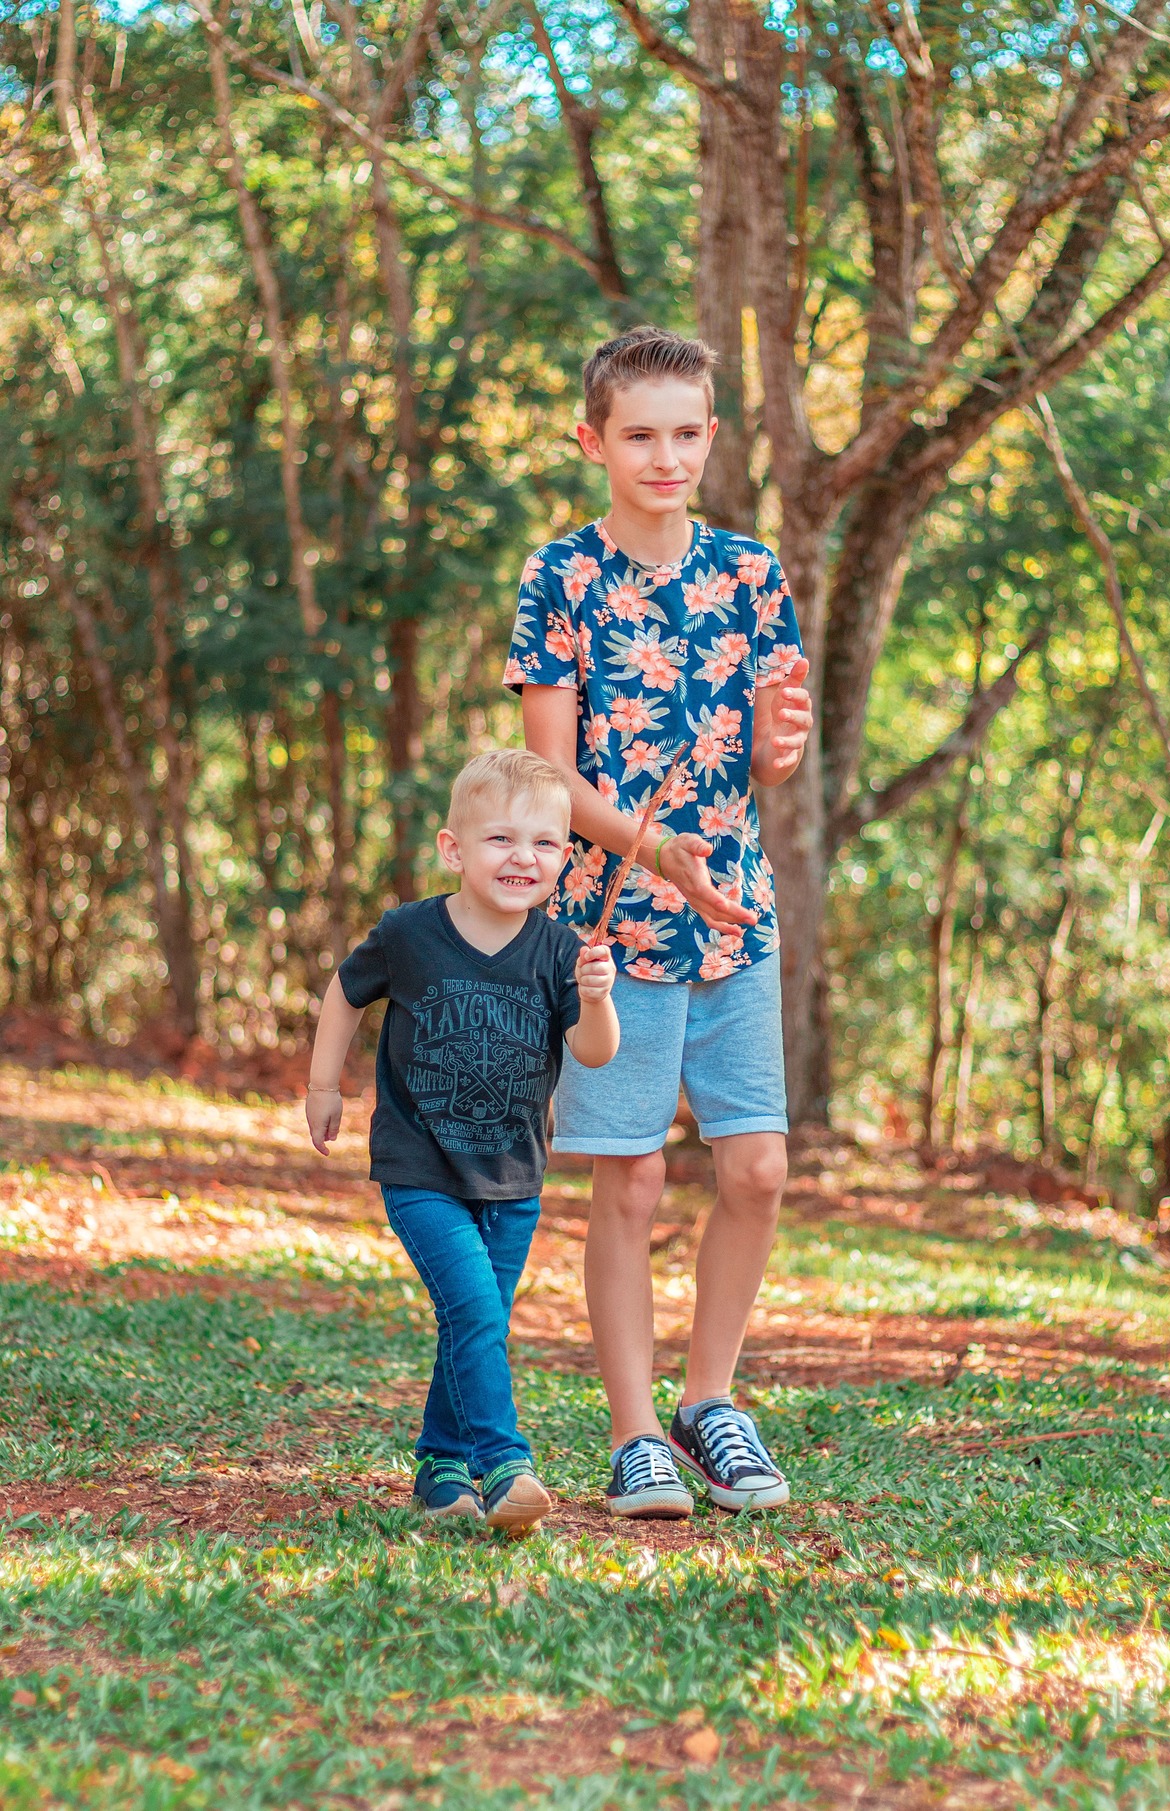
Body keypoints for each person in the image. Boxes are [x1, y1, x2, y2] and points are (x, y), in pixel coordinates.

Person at [506, 325, 814, 1519]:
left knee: (758, 1165)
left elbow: (768, 760)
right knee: (629, 1180)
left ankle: (710, 1402)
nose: (666, 454)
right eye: (640, 433)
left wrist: (778, 752)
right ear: (594, 441)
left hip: (734, 914)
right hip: (613, 923)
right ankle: (636, 1433)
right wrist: (654, 851)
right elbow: (548, 780)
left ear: (712, 439)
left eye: (687, 432)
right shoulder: (562, 578)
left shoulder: (751, 574)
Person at [305, 749, 619, 1531]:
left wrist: (597, 997)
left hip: (514, 1177)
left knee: (475, 1317)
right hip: (420, 1165)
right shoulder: (410, 932)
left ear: (565, 858)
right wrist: (322, 1084)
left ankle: (440, 1461)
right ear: (454, 849)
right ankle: (505, 1462)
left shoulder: (558, 952)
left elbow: (594, 1052)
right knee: (476, 1307)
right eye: (501, 840)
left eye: (545, 843)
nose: (524, 857)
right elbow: (345, 992)